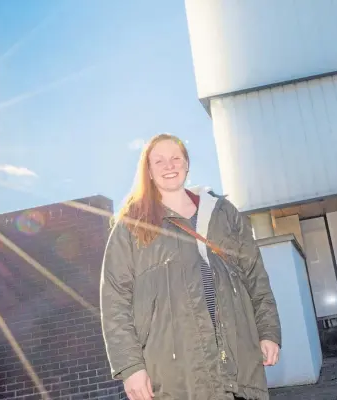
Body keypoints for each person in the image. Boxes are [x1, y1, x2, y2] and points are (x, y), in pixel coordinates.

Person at [100, 133, 281, 400]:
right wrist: (130, 367)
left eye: (176, 158)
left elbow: (256, 277)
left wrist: (269, 332)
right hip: (176, 377)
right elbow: (114, 301)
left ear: (187, 164)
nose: (169, 166)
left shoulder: (223, 213)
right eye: (159, 161)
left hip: (239, 367)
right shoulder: (131, 226)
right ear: (148, 171)